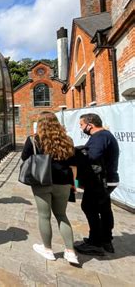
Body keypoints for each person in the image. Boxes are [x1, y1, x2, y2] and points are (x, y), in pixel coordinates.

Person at [21, 111, 79, 264]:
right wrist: (74, 184)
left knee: (44, 216)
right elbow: (73, 166)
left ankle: (48, 250)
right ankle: (70, 252)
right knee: (62, 215)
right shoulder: (68, 140)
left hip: (42, 181)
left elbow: (24, 158)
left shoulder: (34, 140)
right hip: (64, 182)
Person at [74, 113, 119, 255]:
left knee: (89, 207)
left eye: (82, 125)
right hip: (107, 179)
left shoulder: (100, 137)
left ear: (90, 124)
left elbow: (93, 155)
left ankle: (96, 243)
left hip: (100, 180)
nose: (81, 128)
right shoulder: (105, 135)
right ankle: (106, 240)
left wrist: (77, 151)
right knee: (104, 209)